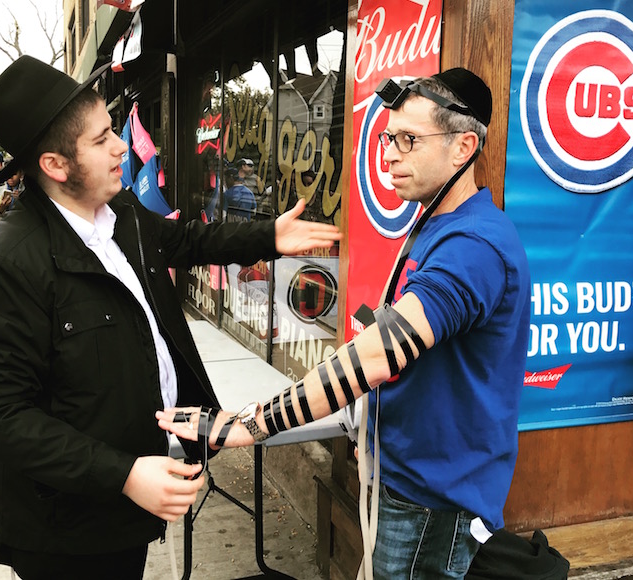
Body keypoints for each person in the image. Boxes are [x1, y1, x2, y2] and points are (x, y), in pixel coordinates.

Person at [0, 55, 341, 580]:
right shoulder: (2, 265)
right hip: (67, 530)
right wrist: (124, 474)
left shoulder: (122, 214)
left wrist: (267, 237)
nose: (120, 148)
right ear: (55, 165)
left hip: (131, 500)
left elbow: (183, 240)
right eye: (101, 139)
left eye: (113, 130)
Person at [158, 68, 531, 579]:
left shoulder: (473, 246)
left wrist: (249, 424)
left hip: (434, 504)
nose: (390, 154)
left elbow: (379, 355)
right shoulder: (435, 223)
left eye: (408, 139)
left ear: (463, 146)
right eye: (386, 138)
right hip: (404, 483)